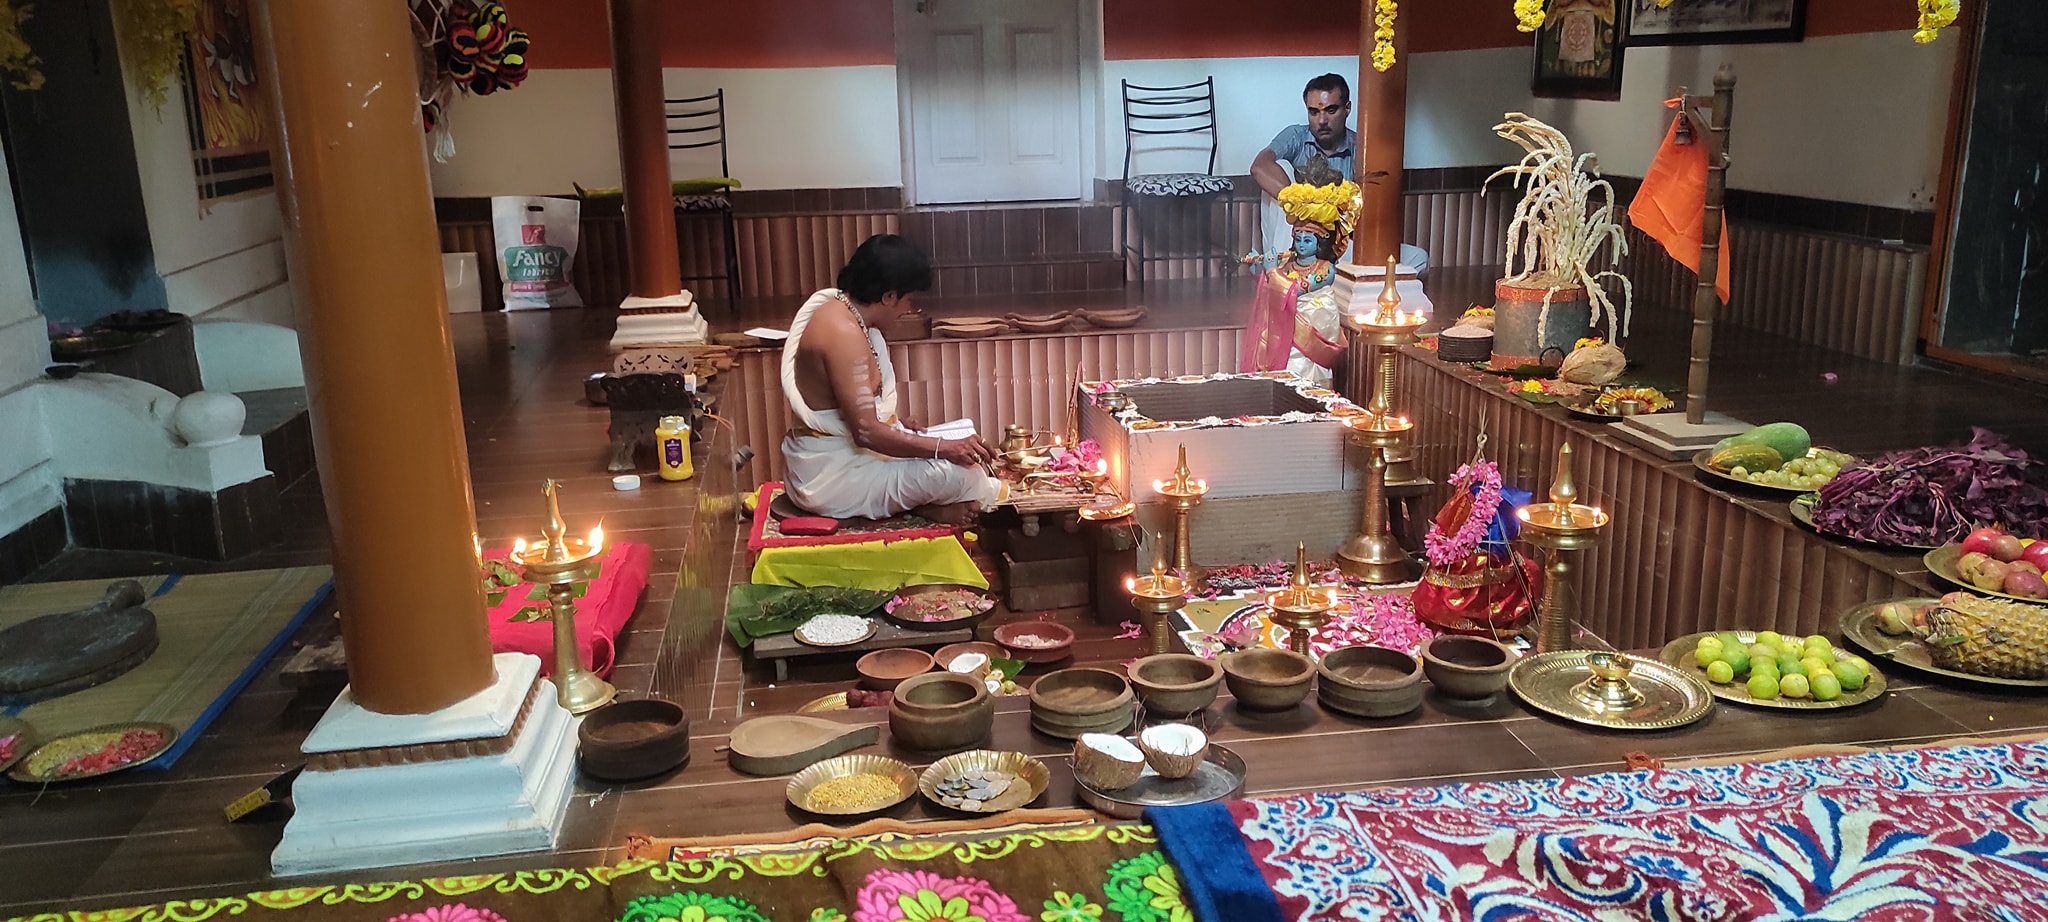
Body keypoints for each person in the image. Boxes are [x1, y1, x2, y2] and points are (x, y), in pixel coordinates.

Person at [780, 235, 1003, 524]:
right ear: (888, 296)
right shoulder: (843, 333)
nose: (908, 310)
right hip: (832, 479)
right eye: (908, 300)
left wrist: (896, 424)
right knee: (963, 475)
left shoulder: (850, 316)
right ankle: (920, 507)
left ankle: (919, 506)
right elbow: (867, 434)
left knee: (961, 445)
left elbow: (862, 418)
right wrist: (942, 447)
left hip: (847, 460)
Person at [1249, 73, 1428, 273]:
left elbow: (1365, 217)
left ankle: (1326, 280)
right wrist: (1304, 208)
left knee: (1419, 259)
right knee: (1280, 167)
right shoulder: (1295, 136)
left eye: (1330, 110)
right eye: (1314, 112)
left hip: (1336, 247)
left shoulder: (1361, 148)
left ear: (1347, 109)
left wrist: (1326, 217)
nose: (1322, 120)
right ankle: (1288, 274)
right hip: (1294, 241)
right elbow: (1259, 166)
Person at [1241, 161, 1358, 386]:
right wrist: (1258, 265)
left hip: (1309, 341)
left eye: (1308, 240)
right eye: (1298, 239)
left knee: (1303, 375)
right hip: (1285, 338)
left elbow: (1296, 290)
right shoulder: (1290, 263)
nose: (1301, 245)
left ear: (1320, 242)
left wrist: (1273, 271)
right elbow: (1269, 284)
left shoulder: (1326, 270)